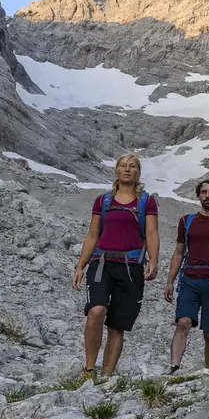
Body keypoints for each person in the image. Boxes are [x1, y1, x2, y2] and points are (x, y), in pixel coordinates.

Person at [72, 154, 158, 380]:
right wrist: (80, 265)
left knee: (117, 325)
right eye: (123, 166)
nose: (127, 170)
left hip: (131, 267)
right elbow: (92, 235)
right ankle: (89, 370)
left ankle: (107, 378)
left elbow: (151, 233)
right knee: (96, 311)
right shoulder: (103, 201)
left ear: (138, 173)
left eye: (132, 167)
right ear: (116, 171)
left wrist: (153, 260)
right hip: (102, 264)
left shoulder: (146, 201)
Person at [164, 177, 209, 371]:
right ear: (198, 196)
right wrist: (170, 281)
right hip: (189, 279)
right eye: (204, 192)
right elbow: (179, 252)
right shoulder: (186, 221)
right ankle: (174, 368)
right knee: (183, 322)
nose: (207, 195)